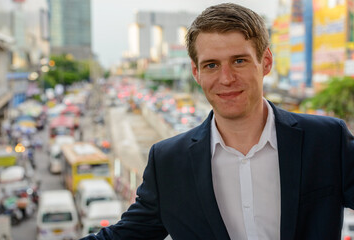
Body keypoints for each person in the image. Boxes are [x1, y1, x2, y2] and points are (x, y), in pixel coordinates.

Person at [81, 3, 354, 240]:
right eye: (211, 65)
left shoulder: (327, 141)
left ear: (266, 62)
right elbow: (122, 236)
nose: (226, 78)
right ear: (196, 72)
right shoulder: (168, 162)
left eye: (239, 61)